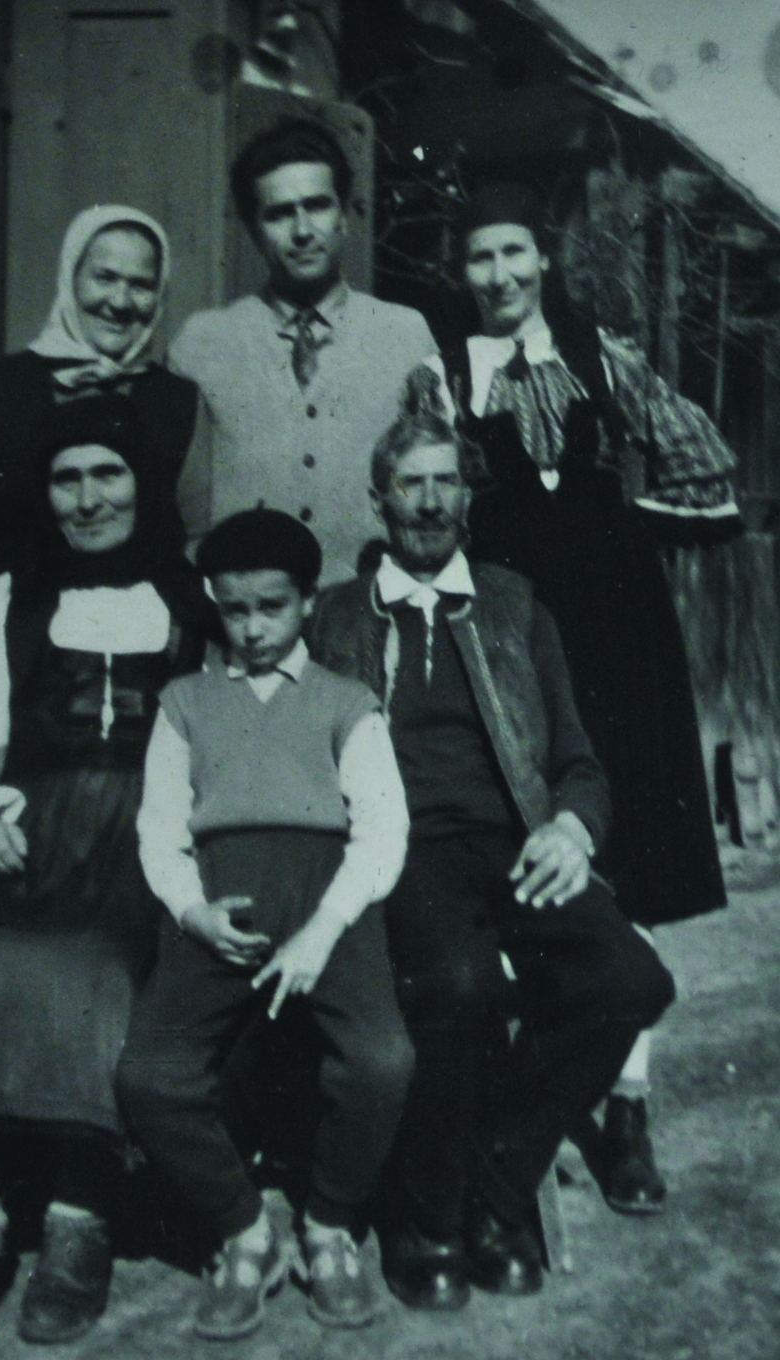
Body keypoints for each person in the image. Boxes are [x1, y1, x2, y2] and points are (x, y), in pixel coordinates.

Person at [408, 181, 740, 1213]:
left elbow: (707, 467)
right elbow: (424, 495)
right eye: (479, 258)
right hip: (507, 635)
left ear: (543, 257)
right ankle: (534, 1095)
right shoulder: (440, 375)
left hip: (620, 633)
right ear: (460, 271)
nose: (499, 275)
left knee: (629, 854)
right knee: (524, 850)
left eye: (514, 252)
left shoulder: (603, 356)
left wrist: (626, 527)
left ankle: (627, 1106)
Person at [308, 412, 675, 1310]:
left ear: (467, 497)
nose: (430, 502)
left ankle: (495, 1180)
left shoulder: (514, 604)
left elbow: (579, 762)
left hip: (515, 846)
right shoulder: (336, 615)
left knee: (631, 978)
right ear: (379, 498)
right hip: (401, 848)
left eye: (446, 482)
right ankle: (429, 1219)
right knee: (460, 984)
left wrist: (571, 830)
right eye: (411, 483)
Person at [0, 395, 209, 1357]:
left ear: (144, 484)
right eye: (66, 479)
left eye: (107, 473)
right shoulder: (9, 600)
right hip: (29, 834)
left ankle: (82, 1216)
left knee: (105, 970)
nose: (87, 498)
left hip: (147, 839)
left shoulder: (191, 605)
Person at [116, 508, 414, 1339]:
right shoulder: (185, 702)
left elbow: (383, 829)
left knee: (382, 1059)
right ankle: (244, 1230)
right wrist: (193, 912)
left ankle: (329, 1225)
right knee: (149, 1074)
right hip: (221, 905)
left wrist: (324, 929)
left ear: (308, 602)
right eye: (234, 609)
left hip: (329, 903)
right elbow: (160, 829)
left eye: (271, 607)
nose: (251, 628)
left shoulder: (347, 702)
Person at [0, 204, 198, 691]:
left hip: (136, 665)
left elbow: (201, 540)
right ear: (70, 276)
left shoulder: (180, 402)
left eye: (141, 284)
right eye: (104, 277)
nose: (120, 301)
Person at [170, 117, 437, 581]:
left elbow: (433, 487)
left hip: (371, 606)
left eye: (317, 205)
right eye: (278, 214)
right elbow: (183, 514)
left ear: (344, 216)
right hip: (249, 610)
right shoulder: (201, 343)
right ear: (253, 230)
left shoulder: (406, 334)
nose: (302, 230)